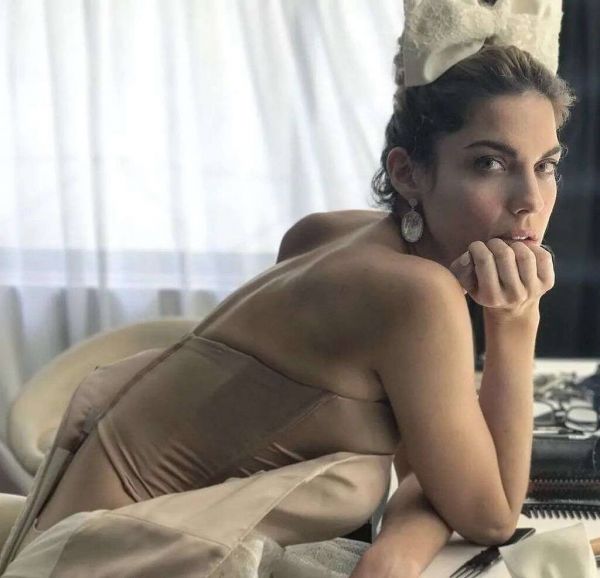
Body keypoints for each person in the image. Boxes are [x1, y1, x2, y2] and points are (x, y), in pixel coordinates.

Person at [1, 5, 576, 578]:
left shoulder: (329, 233)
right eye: (490, 163)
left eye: (545, 165)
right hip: (108, 559)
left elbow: (431, 474)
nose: (530, 199)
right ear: (407, 173)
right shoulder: (416, 294)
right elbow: (491, 516)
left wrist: (395, 554)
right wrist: (516, 320)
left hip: (92, 542)